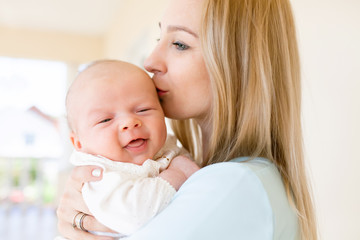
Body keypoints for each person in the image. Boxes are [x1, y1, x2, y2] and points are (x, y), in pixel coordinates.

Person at [57, 0, 318, 239]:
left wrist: (76, 226)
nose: (150, 61)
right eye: (160, 37)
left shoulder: (233, 185)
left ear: (238, 63)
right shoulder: (220, 176)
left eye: (180, 44)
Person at [57, 60, 199, 239]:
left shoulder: (166, 149)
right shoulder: (100, 174)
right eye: (105, 120)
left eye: (143, 109)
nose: (129, 122)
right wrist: (178, 173)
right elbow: (135, 216)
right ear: (78, 143)